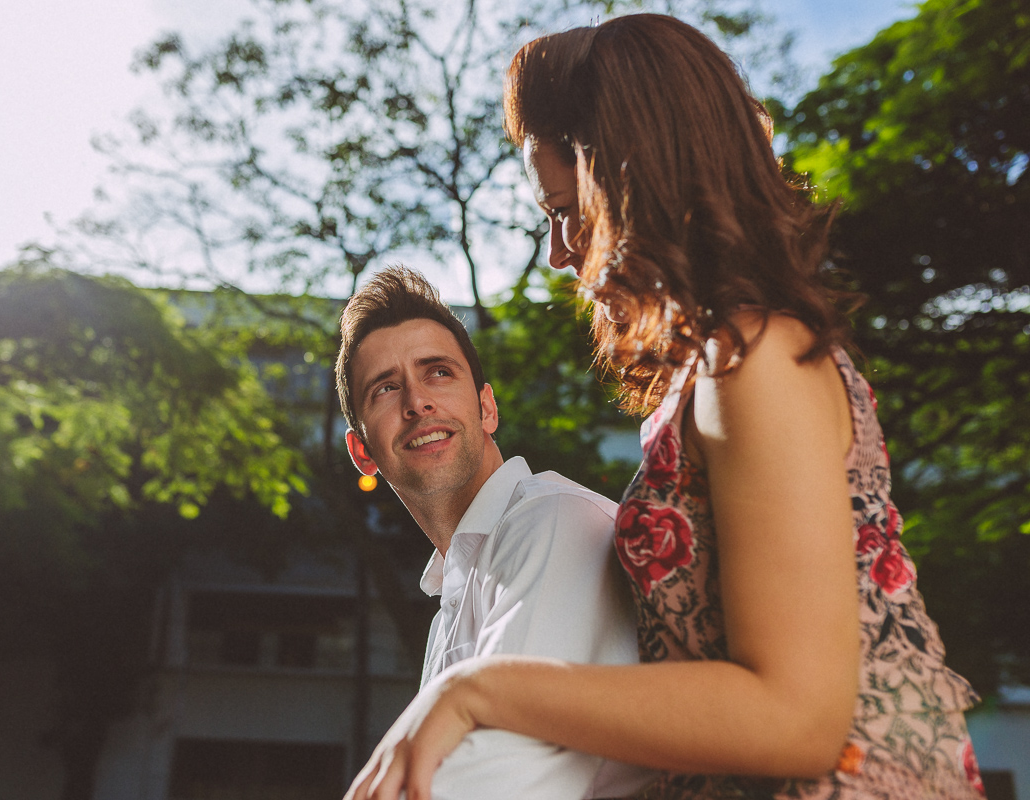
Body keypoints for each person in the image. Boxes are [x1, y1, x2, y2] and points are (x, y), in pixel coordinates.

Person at [346, 14, 985, 800]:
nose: (558, 252)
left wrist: (475, 689)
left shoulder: (757, 360)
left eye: (562, 212)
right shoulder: (714, 373)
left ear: (633, 182)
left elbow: (797, 716)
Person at [336, 266, 657, 800]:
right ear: (362, 453)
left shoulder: (550, 522)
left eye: (437, 372)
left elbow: (501, 785)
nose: (417, 402)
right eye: (386, 388)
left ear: (487, 407)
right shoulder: (452, 602)